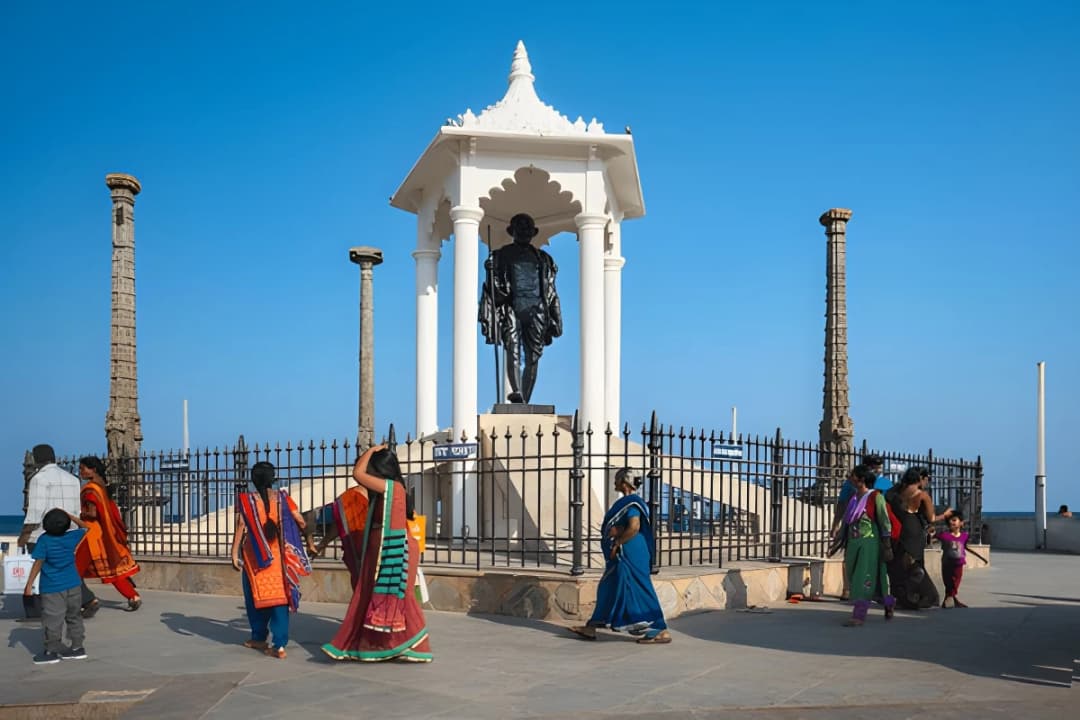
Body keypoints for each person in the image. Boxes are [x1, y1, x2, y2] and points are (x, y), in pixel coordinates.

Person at [322, 444, 432, 662]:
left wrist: (370, 450)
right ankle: (381, 644)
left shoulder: (393, 488)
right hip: (378, 549)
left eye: (372, 468)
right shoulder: (387, 491)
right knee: (374, 596)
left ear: (379, 469)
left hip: (394, 550)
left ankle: (417, 645)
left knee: (400, 597)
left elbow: (357, 473)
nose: (368, 473)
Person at [569, 469, 672, 643]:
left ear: (624, 482)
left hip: (629, 552)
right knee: (609, 587)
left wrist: (617, 542)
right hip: (626, 551)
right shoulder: (629, 502)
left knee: (639, 587)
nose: (614, 483)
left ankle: (659, 629)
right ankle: (591, 627)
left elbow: (634, 526)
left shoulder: (632, 503)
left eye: (617, 479)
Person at [478, 212, 563, 404]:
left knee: (533, 355)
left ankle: (525, 398)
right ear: (511, 231)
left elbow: (550, 289)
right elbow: (495, 292)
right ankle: (515, 390)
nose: (524, 230)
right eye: (519, 227)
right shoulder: (500, 255)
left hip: (537, 308)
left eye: (527, 228)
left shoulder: (544, 259)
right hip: (512, 306)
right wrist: (490, 272)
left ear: (533, 232)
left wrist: (554, 316)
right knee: (512, 348)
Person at [230, 461, 311, 659]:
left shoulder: (248, 501)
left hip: (255, 557)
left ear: (253, 480)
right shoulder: (283, 499)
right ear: (273, 479)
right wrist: (309, 541)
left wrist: (233, 554)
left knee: (254, 598)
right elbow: (300, 520)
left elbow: (241, 526)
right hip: (279, 558)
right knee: (280, 599)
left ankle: (258, 637)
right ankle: (279, 644)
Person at [18, 444, 98, 620]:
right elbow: (76, 510)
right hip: (69, 532)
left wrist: (24, 534)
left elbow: (35, 511)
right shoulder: (72, 479)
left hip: (44, 533)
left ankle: (39, 608)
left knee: (43, 569)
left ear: (38, 459)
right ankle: (86, 599)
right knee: (66, 565)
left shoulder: (39, 479)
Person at [23, 509, 90, 664]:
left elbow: (38, 563)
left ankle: (51, 651)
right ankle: (77, 648)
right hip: (73, 584)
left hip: (52, 588)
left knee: (53, 620)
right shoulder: (73, 536)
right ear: (66, 525)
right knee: (74, 617)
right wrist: (72, 517)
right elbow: (87, 527)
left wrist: (29, 585)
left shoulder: (44, 540)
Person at [75, 456, 141, 610]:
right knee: (110, 568)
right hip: (103, 533)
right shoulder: (103, 485)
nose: (80, 471)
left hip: (91, 534)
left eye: (83, 468)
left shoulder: (90, 488)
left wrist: (77, 515)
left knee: (74, 569)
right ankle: (133, 596)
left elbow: (92, 513)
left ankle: (87, 600)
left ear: (93, 469)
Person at [838, 465, 894, 626]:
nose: (850, 477)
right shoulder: (854, 498)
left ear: (861, 479)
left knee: (863, 577)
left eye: (853, 475)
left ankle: (859, 615)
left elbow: (884, 521)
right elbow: (847, 521)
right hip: (854, 543)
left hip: (869, 542)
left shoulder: (875, 497)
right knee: (854, 575)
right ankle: (889, 601)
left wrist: (887, 545)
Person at [886, 468, 946, 610]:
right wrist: (945, 515)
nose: (927, 482)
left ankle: (905, 597)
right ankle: (923, 597)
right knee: (916, 567)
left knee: (901, 566)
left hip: (900, 532)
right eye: (926, 479)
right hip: (914, 533)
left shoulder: (895, 493)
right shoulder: (922, 495)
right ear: (920, 479)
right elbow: (931, 518)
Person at [310, 485, 369, 589]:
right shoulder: (351, 498)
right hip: (359, 553)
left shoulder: (389, 495)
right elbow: (340, 523)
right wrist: (321, 545)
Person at [933, 511, 986, 608]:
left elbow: (964, 546)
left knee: (956, 582)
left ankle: (950, 598)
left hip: (959, 564)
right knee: (948, 582)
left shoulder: (964, 536)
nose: (951, 523)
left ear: (961, 523)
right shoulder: (944, 535)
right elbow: (932, 535)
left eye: (954, 520)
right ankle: (950, 598)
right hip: (946, 563)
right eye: (950, 521)